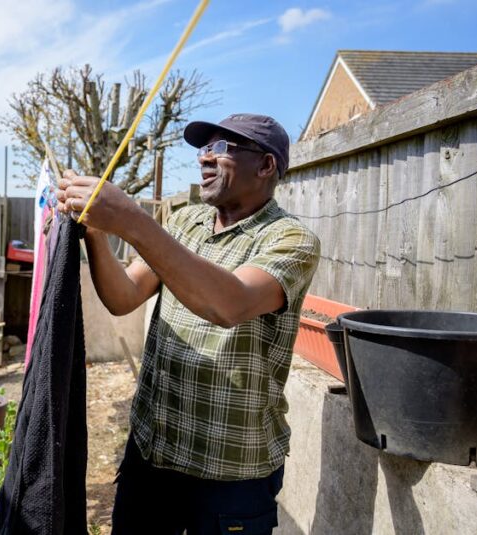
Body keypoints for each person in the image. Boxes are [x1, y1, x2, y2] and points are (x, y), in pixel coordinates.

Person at [57, 114, 320, 534]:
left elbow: (229, 304)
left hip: (227, 478)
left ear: (266, 166)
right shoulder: (186, 222)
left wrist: (131, 220)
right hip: (151, 453)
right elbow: (123, 295)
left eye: (221, 149)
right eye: (203, 149)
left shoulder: (290, 240)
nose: (205, 161)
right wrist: (96, 232)